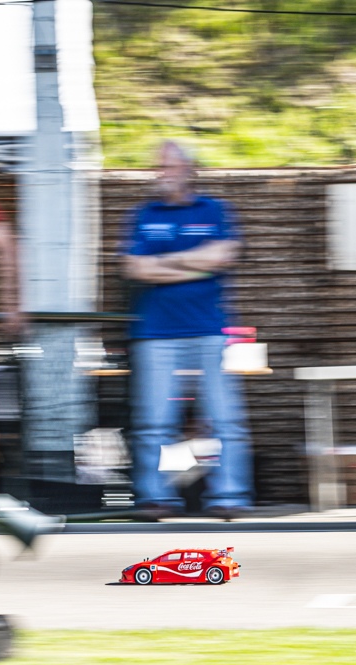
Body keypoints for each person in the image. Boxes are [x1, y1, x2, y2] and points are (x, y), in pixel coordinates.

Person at [122, 141, 252, 520]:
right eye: (159, 166)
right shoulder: (143, 214)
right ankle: (156, 497)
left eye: (170, 166)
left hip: (210, 330)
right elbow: (135, 269)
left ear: (190, 169)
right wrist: (196, 263)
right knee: (153, 423)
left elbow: (223, 256)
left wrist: (163, 263)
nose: (163, 173)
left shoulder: (215, 210)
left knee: (226, 419)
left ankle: (229, 497)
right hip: (155, 333)